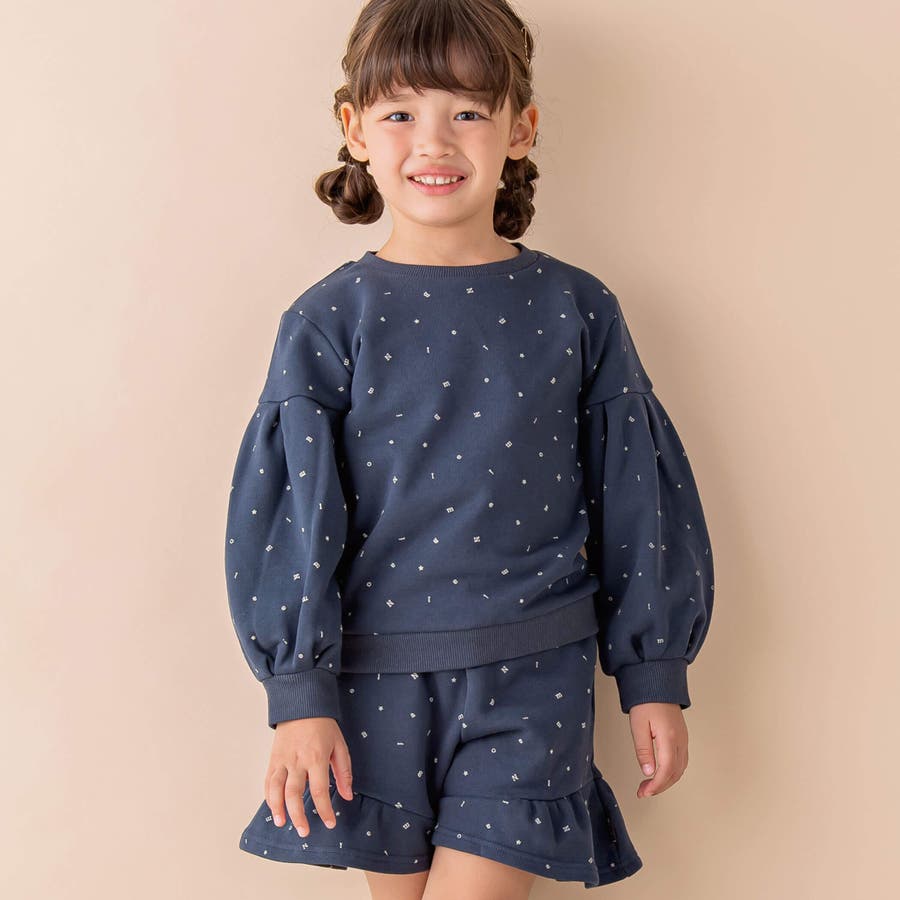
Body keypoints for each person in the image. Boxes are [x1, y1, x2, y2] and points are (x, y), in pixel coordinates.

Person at [223, 1, 715, 897]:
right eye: (400, 112)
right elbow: (293, 520)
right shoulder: (327, 320)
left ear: (520, 128)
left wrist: (653, 672)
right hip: (373, 685)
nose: (434, 142)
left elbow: (635, 498)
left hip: (535, 674)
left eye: (468, 112)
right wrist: (298, 696)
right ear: (355, 130)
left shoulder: (578, 308)